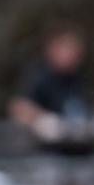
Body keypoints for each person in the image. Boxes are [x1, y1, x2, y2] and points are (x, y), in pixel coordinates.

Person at [9, 22, 89, 152]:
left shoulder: (77, 77)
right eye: (66, 48)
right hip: (44, 153)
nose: (72, 54)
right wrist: (43, 120)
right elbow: (18, 107)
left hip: (75, 151)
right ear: (53, 48)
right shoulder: (39, 76)